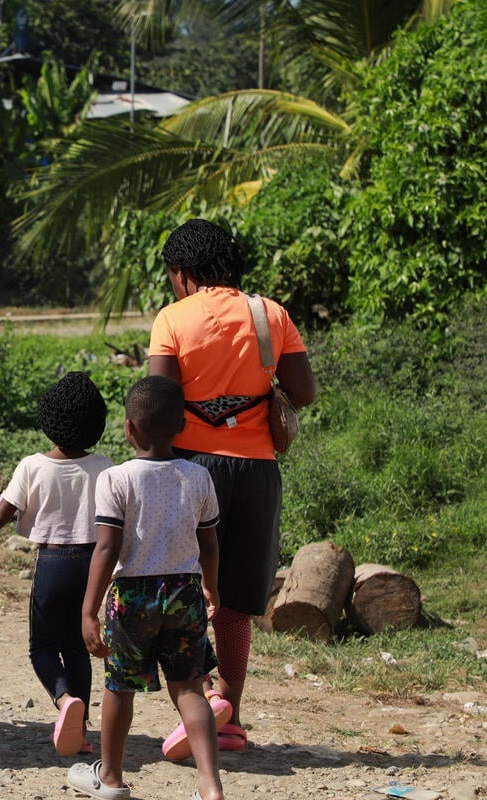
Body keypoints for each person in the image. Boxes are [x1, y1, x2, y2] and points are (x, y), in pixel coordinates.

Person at [146, 218, 317, 753]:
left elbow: (159, 403)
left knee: (187, 590)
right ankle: (232, 716)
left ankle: (200, 700)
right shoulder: (271, 314)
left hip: (191, 468)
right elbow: (303, 392)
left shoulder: (172, 319)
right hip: (256, 471)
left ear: (182, 272)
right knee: (238, 602)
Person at [70, 375, 224, 800]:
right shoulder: (199, 476)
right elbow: (210, 546)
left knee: (120, 687)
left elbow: (107, 549)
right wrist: (210, 588)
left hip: (132, 598)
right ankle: (210, 784)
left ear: (128, 428)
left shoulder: (116, 479)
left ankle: (111, 777)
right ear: (182, 426)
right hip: (185, 591)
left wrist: (88, 610)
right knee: (190, 688)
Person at [0, 372, 112, 758]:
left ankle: (64, 700)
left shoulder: (33, 466)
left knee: (42, 647)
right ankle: (80, 732)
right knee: (76, 647)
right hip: (92, 564)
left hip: (53, 563)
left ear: (49, 420)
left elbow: (1, 513)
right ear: (97, 423)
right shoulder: (105, 467)